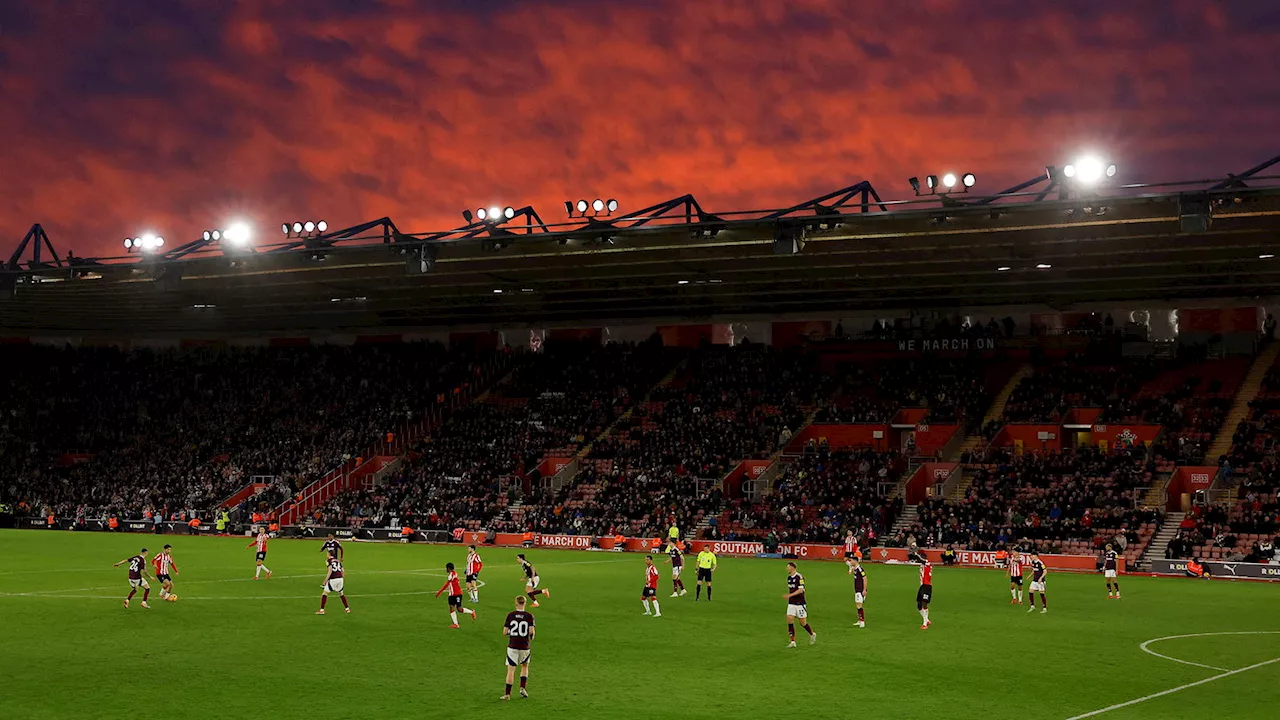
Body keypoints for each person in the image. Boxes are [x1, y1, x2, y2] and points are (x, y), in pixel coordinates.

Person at [501, 596, 535, 701]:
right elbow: (531, 632)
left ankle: (507, 694)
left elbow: (505, 632)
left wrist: (513, 633)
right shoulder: (529, 616)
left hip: (513, 646)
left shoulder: (510, 615)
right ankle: (522, 688)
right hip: (525, 646)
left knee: (511, 670)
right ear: (525, 603)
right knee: (524, 666)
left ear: (516, 603)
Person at [783, 562, 816, 648]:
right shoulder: (789, 578)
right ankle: (793, 641)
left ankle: (812, 634)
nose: (787, 569)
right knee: (789, 619)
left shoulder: (799, 577)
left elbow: (801, 590)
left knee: (803, 623)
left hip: (800, 603)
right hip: (791, 603)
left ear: (793, 568)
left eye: (788, 567)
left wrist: (789, 595)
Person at [435, 562, 477, 628]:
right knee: (451, 607)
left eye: (446, 568)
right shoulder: (453, 574)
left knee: (459, 609)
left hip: (457, 594)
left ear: (449, 568)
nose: (446, 569)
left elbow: (446, 584)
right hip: (451, 594)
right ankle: (456, 624)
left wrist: (439, 592)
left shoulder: (452, 574)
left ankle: (472, 612)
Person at [916, 556, 933, 630]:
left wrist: (917, 554)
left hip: (927, 586)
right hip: (922, 586)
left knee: (924, 603)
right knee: (919, 605)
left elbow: (922, 560)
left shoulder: (928, 564)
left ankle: (925, 623)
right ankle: (927, 620)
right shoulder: (923, 565)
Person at [851, 558, 868, 628]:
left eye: (851, 560)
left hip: (860, 590)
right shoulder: (855, 569)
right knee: (857, 605)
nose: (851, 562)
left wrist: (864, 590)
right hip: (857, 589)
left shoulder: (860, 569)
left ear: (855, 561)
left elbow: (865, 579)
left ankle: (862, 621)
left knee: (859, 605)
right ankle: (860, 620)